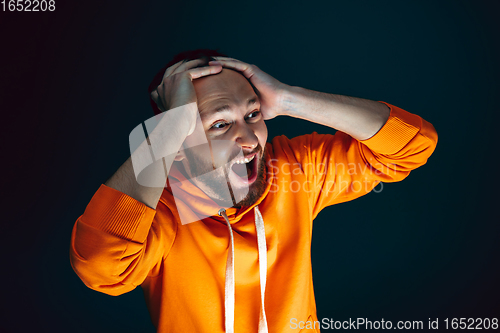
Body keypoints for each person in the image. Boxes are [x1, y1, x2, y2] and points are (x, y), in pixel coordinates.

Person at [69, 49, 438, 332]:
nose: (248, 140)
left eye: (252, 115)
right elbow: (101, 269)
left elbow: (412, 146)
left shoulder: (294, 168)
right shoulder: (158, 208)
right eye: (219, 124)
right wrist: (170, 125)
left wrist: (289, 98)